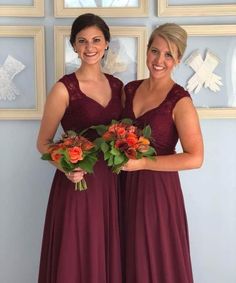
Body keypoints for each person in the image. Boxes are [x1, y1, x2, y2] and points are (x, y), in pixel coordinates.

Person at [37, 13, 123, 283]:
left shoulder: (118, 86)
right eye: (82, 41)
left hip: (112, 185)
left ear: (106, 43)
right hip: (77, 183)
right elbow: (43, 142)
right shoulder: (63, 89)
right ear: (73, 45)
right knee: (76, 255)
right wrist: (66, 167)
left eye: (96, 40)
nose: (90, 47)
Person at [121, 23, 204, 283]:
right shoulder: (130, 89)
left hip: (157, 192)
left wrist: (144, 163)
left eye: (168, 55)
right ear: (146, 51)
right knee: (127, 256)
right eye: (155, 51)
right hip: (123, 185)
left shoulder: (180, 101)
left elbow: (195, 157)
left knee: (155, 258)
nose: (159, 60)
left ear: (178, 59)